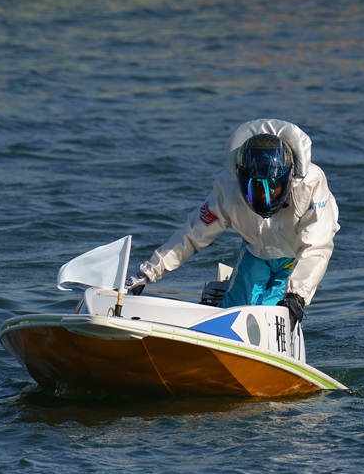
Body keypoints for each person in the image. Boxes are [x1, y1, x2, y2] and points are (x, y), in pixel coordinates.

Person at [125, 119, 339, 325]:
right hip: (256, 251)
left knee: (266, 312)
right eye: (255, 188)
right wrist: (146, 274)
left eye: (272, 189)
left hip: (296, 256)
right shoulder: (228, 188)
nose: (264, 198)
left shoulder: (311, 186)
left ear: (289, 178)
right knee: (234, 311)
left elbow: (316, 248)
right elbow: (191, 235)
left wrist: (297, 296)